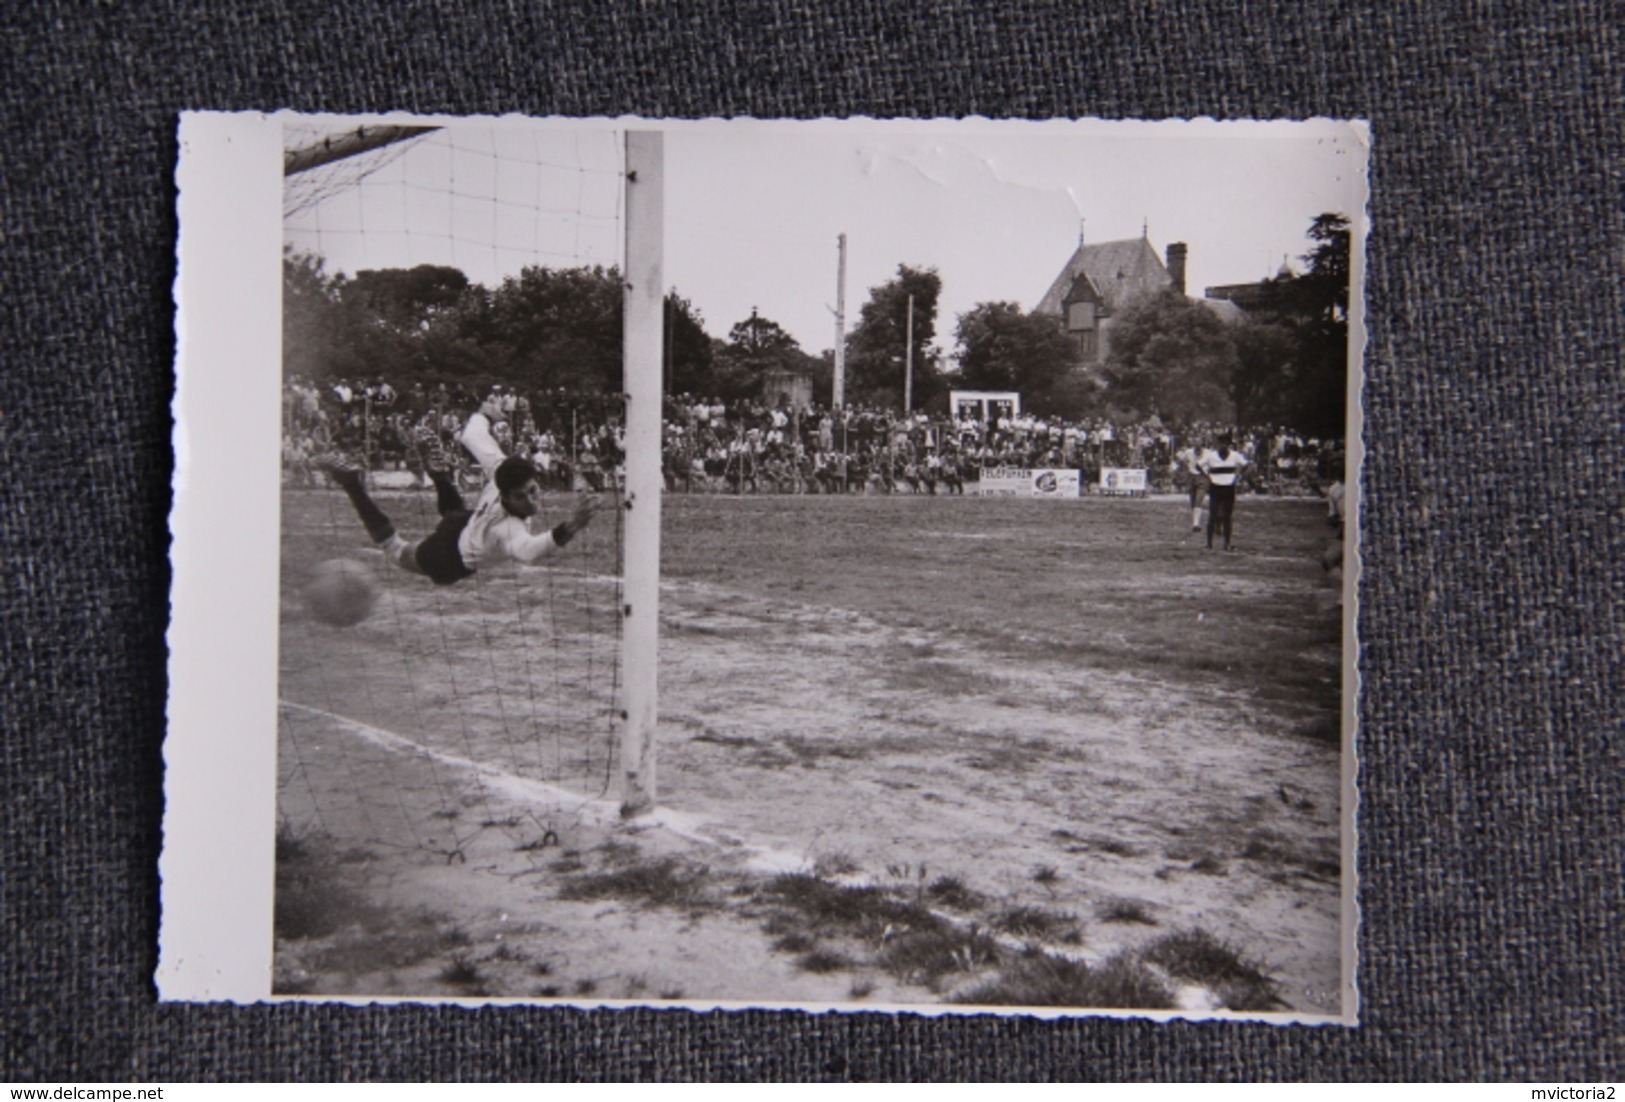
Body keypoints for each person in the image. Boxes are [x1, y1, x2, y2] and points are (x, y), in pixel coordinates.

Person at [318, 453, 597, 586]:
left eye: (534, 491)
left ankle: (439, 475)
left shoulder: (496, 478)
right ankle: (351, 482)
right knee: (396, 551)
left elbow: (477, 436)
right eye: (522, 496)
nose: (531, 500)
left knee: (454, 514)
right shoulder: (507, 529)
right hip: (448, 556)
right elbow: (528, 551)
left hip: (464, 522)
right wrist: (571, 525)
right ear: (507, 496)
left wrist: (486, 415)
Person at [1199, 435, 1249, 551]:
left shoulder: (1235, 455)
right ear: (1218, 444)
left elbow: (1246, 464)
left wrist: (1239, 476)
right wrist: (1207, 476)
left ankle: (1227, 543)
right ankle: (1209, 543)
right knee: (1212, 515)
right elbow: (1199, 465)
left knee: (1227, 516)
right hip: (1215, 486)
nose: (1224, 446)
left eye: (1226, 443)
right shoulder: (1211, 456)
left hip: (1229, 486)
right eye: (1222, 443)